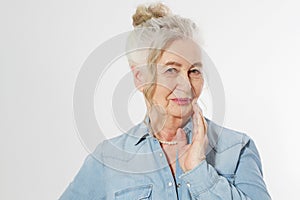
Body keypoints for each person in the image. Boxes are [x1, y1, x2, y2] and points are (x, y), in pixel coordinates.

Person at [60, 3, 271, 199]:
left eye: (194, 71)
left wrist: (199, 172)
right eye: (171, 70)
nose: (186, 85)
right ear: (140, 78)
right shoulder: (108, 159)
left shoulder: (237, 149)